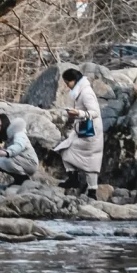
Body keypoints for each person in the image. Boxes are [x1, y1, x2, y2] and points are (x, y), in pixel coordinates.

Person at [54, 67, 104, 198]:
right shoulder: (79, 92)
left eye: (67, 82)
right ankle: (73, 179)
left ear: (74, 80)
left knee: (91, 160)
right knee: (65, 150)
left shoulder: (86, 93)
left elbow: (95, 112)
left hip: (90, 131)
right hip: (82, 130)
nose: (66, 86)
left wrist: (78, 113)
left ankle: (91, 191)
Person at [0, 113, 40, 183]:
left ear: (4, 123)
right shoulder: (7, 137)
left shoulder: (18, 133)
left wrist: (7, 152)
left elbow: (19, 145)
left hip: (30, 162)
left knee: (1, 161)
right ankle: (18, 179)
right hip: (21, 160)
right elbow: (0, 146)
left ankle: (23, 179)